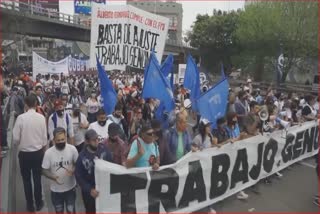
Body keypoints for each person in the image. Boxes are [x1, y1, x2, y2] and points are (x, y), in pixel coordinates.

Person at [13, 94, 47, 212]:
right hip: (38, 153)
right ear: (36, 104)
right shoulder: (41, 118)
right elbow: (44, 139)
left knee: (26, 180)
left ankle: (30, 205)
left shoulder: (21, 118)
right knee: (37, 179)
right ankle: (38, 203)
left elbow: (15, 138)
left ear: (26, 105)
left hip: (24, 154)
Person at [42, 127, 78, 213]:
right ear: (53, 140)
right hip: (56, 191)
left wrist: (73, 170)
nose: (61, 142)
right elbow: (44, 170)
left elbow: (78, 164)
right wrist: (53, 176)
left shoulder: (72, 149)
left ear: (66, 138)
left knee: (71, 211)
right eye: (58, 140)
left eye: (63, 139)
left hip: (70, 189)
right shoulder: (48, 153)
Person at [75, 129, 113, 214]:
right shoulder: (82, 157)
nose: (97, 141)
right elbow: (78, 176)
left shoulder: (104, 149)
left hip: (104, 188)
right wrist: (89, 189)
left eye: (97, 139)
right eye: (93, 140)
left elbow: (111, 164)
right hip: (90, 193)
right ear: (87, 141)